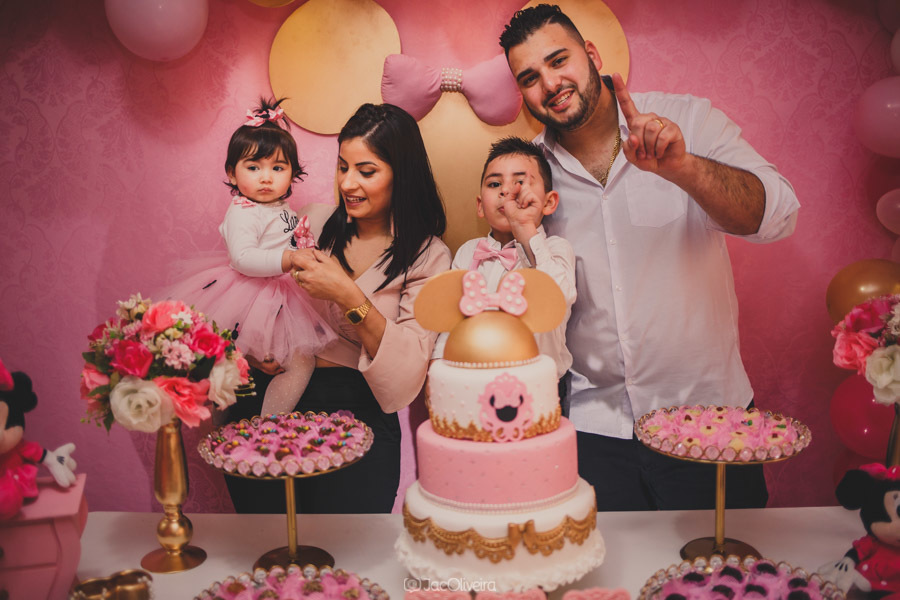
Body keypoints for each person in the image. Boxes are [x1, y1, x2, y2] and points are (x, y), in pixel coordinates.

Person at [500, 4, 800, 511]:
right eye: (529, 77)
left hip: (709, 421)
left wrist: (683, 168)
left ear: (592, 55)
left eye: (558, 60)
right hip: (593, 433)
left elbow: (777, 216)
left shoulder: (687, 120)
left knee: (727, 561)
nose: (549, 84)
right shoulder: (528, 174)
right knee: (604, 565)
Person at [224, 103, 451, 514]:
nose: (347, 182)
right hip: (269, 398)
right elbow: (249, 290)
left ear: (402, 174)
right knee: (263, 540)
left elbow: (405, 379)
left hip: (359, 412)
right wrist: (252, 351)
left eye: (366, 171)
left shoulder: (428, 256)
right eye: (342, 166)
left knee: (349, 545)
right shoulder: (310, 221)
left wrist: (348, 296)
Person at [162, 98, 336, 420]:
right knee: (230, 364)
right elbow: (243, 258)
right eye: (253, 167)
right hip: (248, 294)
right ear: (232, 173)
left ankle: (268, 424)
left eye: (277, 168)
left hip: (282, 296)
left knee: (298, 362)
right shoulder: (243, 211)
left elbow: (289, 239)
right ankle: (242, 426)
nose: (266, 178)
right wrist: (290, 257)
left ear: (293, 174)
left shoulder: (280, 208)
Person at [432, 136, 575, 400]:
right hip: (474, 384)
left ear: (548, 202)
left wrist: (524, 228)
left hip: (540, 387)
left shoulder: (556, 249)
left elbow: (559, 299)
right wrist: (438, 368)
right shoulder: (468, 252)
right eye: (495, 184)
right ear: (479, 205)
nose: (506, 192)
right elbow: (451, 320)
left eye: (520, 183)